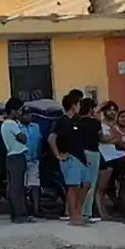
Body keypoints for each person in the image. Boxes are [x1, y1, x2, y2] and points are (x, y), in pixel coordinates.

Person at [49, 92, 90, 226]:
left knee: (86, 184)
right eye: (78, 104)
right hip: (70, 158)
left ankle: (78, 212)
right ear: (73, 106)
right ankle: (73, 215)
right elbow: (51, 139)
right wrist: (58, 155)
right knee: (73, 187)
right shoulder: (62, 121)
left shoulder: (77, 121)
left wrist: (85, 156)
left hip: (80, 157)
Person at [76, 98, 108, 223]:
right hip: (93, 153)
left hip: (80, 153)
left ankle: (78, 210)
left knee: (80, 183)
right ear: (90, 109)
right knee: (91, 183)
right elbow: (101, 138)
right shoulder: (95, 123)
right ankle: (87, 211)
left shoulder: (77, 122)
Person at [0, 98, 29, 223]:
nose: (21, 113)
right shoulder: (11, 123)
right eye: (20, 110)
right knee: (17, 188)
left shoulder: (5, 124)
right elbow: (23, 138)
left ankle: (16, 213)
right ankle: (19, 214)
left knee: (14, 187)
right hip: (16, 156)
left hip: (12, 156)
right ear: (13, 111)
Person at [96, 101, 125, 222]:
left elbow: (119, 139)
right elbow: (103, 139)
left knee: (109, 186)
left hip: (114, 156)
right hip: (104, 157)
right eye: (109, 109)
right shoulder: (100, 125)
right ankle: (100, 211)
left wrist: (113, 138)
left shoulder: (116, 126)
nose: (112, 112)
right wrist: (113, 138)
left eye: (114, 110)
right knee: (101, 187)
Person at [20, 106, 43, 218]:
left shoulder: (36, 127)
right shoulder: (17, 127)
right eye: (25, 114)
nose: (28, 116)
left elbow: (39, 142)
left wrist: (38, 155)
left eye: (29, 114)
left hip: (34, 160)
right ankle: (24, 209)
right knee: (23, 186)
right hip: (22, 160)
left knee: (35, 185)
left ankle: (36, 209)